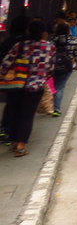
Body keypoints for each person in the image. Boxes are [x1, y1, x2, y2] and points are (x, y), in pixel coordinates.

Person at [0, 18, 55, 157]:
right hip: (35, 87)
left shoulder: (20, 45)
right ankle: (21, 146)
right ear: (43, 33)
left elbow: (5, 64)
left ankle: (14, 141)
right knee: (27, 115)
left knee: (14, 113)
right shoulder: (50, 47)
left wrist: (5, 75)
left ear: (28, 31)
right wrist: (41, 78)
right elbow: (50, 69)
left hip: (15, 86)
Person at [49, 19, 77, 116]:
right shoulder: (73, 40)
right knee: (60, 87)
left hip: (53, 65)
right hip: (67, 66)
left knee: (52, 86)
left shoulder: (52, 40)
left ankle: (50, 106)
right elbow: (76, 53)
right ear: (68, 30)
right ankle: (56, 109)